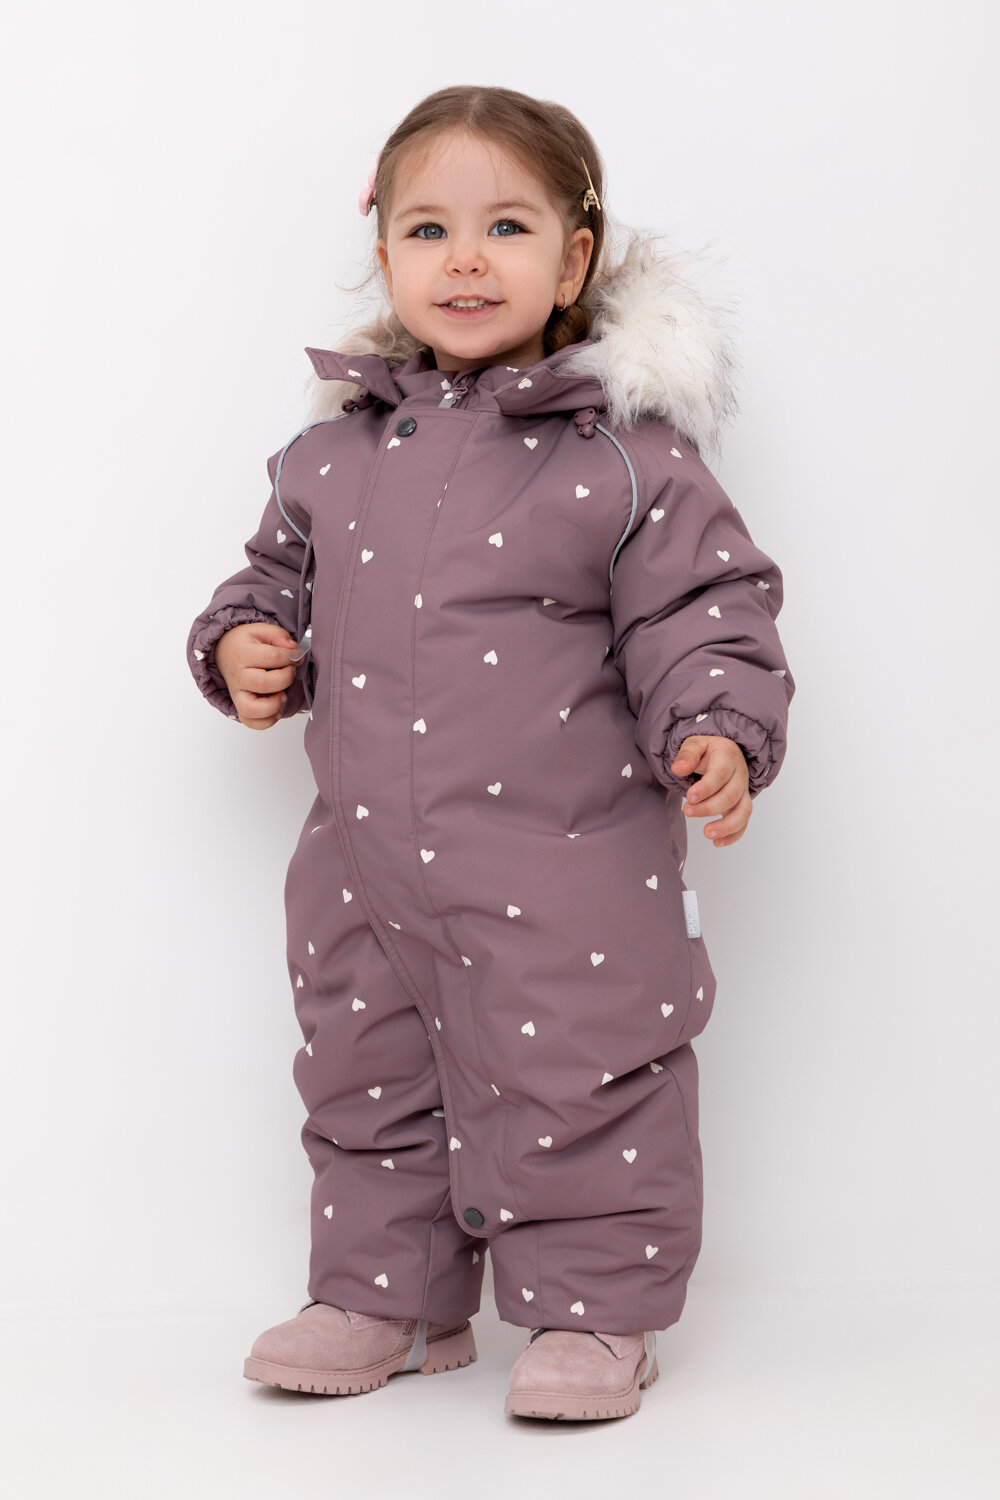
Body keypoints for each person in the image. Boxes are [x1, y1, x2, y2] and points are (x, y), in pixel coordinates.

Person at [186, 84, 795, 1422]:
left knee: (582, 1070)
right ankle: (389, 1296)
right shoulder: (329, 456)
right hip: (363, 864)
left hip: (564, 863)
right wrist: (244, 646)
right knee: (367, 1071)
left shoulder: (621, 457)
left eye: (505, 227)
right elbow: (266, 581)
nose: (465, 260)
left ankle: (597, 1310)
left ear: (573, 259)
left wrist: (717, 724)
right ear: (384, 254)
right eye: (429, 230)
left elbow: (703, 609)